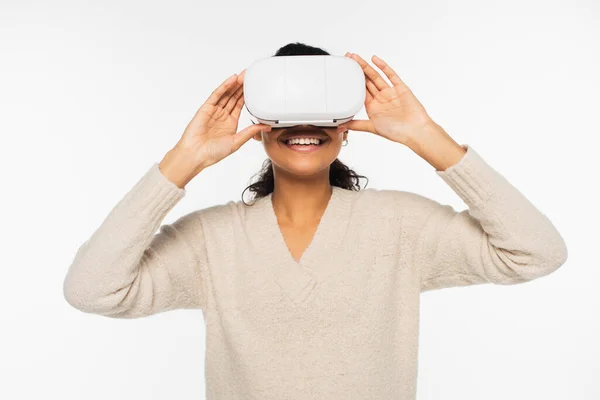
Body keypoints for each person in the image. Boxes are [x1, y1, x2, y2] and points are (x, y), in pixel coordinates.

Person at [62, 42, 568, 399]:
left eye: (322, 108)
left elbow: (536, 253)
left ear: (347, 128)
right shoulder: (212, 239)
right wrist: (185, 158)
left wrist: (425, 136)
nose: (304, 124)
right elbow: (92, 290)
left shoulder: (401, 225)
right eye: (284, 108)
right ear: (258, 127)